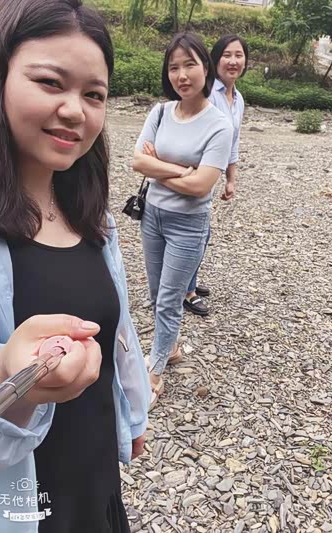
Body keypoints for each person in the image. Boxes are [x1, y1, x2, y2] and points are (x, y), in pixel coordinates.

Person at [0, 1, 150, 532]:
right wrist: (12, 371)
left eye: (93, 95)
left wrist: (133, 412)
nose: (75, 111)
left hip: (94, 469)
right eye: (50, 83)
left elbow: (118, 327)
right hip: (18, 499)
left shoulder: (93, 217)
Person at [132, 33, 233, 409]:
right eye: (174, 67)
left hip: (188, 224)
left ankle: (155, 372)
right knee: (156, 294)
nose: (182, 75)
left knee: (169, 300)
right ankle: (171, 347)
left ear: (206, 67)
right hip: (152, 217)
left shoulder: (219, 125)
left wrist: (159, 166)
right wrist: (179, 169)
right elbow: (138, 161)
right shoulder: (160, 112)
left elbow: (201, 186)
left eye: (190, 64)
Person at [184, 34, 249, 316]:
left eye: (239, 55)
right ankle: (186, 292)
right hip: (194, 173)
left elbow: (233, 141)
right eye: (227, 55)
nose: (233, 61)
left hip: (211, 175)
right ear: (214, 60)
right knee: (195, 233)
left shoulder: (238, 99)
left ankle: (189, 281)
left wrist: (231, 178)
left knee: (202, 232)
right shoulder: (208, 93)